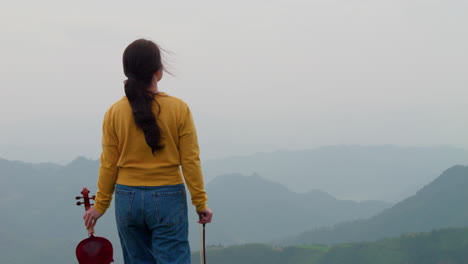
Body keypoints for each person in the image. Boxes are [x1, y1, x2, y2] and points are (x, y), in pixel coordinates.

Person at [83, 38, 213, 264]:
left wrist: (100, 205)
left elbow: (109, 164)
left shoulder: (114, 112)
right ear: (158, 71)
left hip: (127, 198)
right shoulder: (178, 109)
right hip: (168, 196)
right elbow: (190, 161)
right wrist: (200, 203)